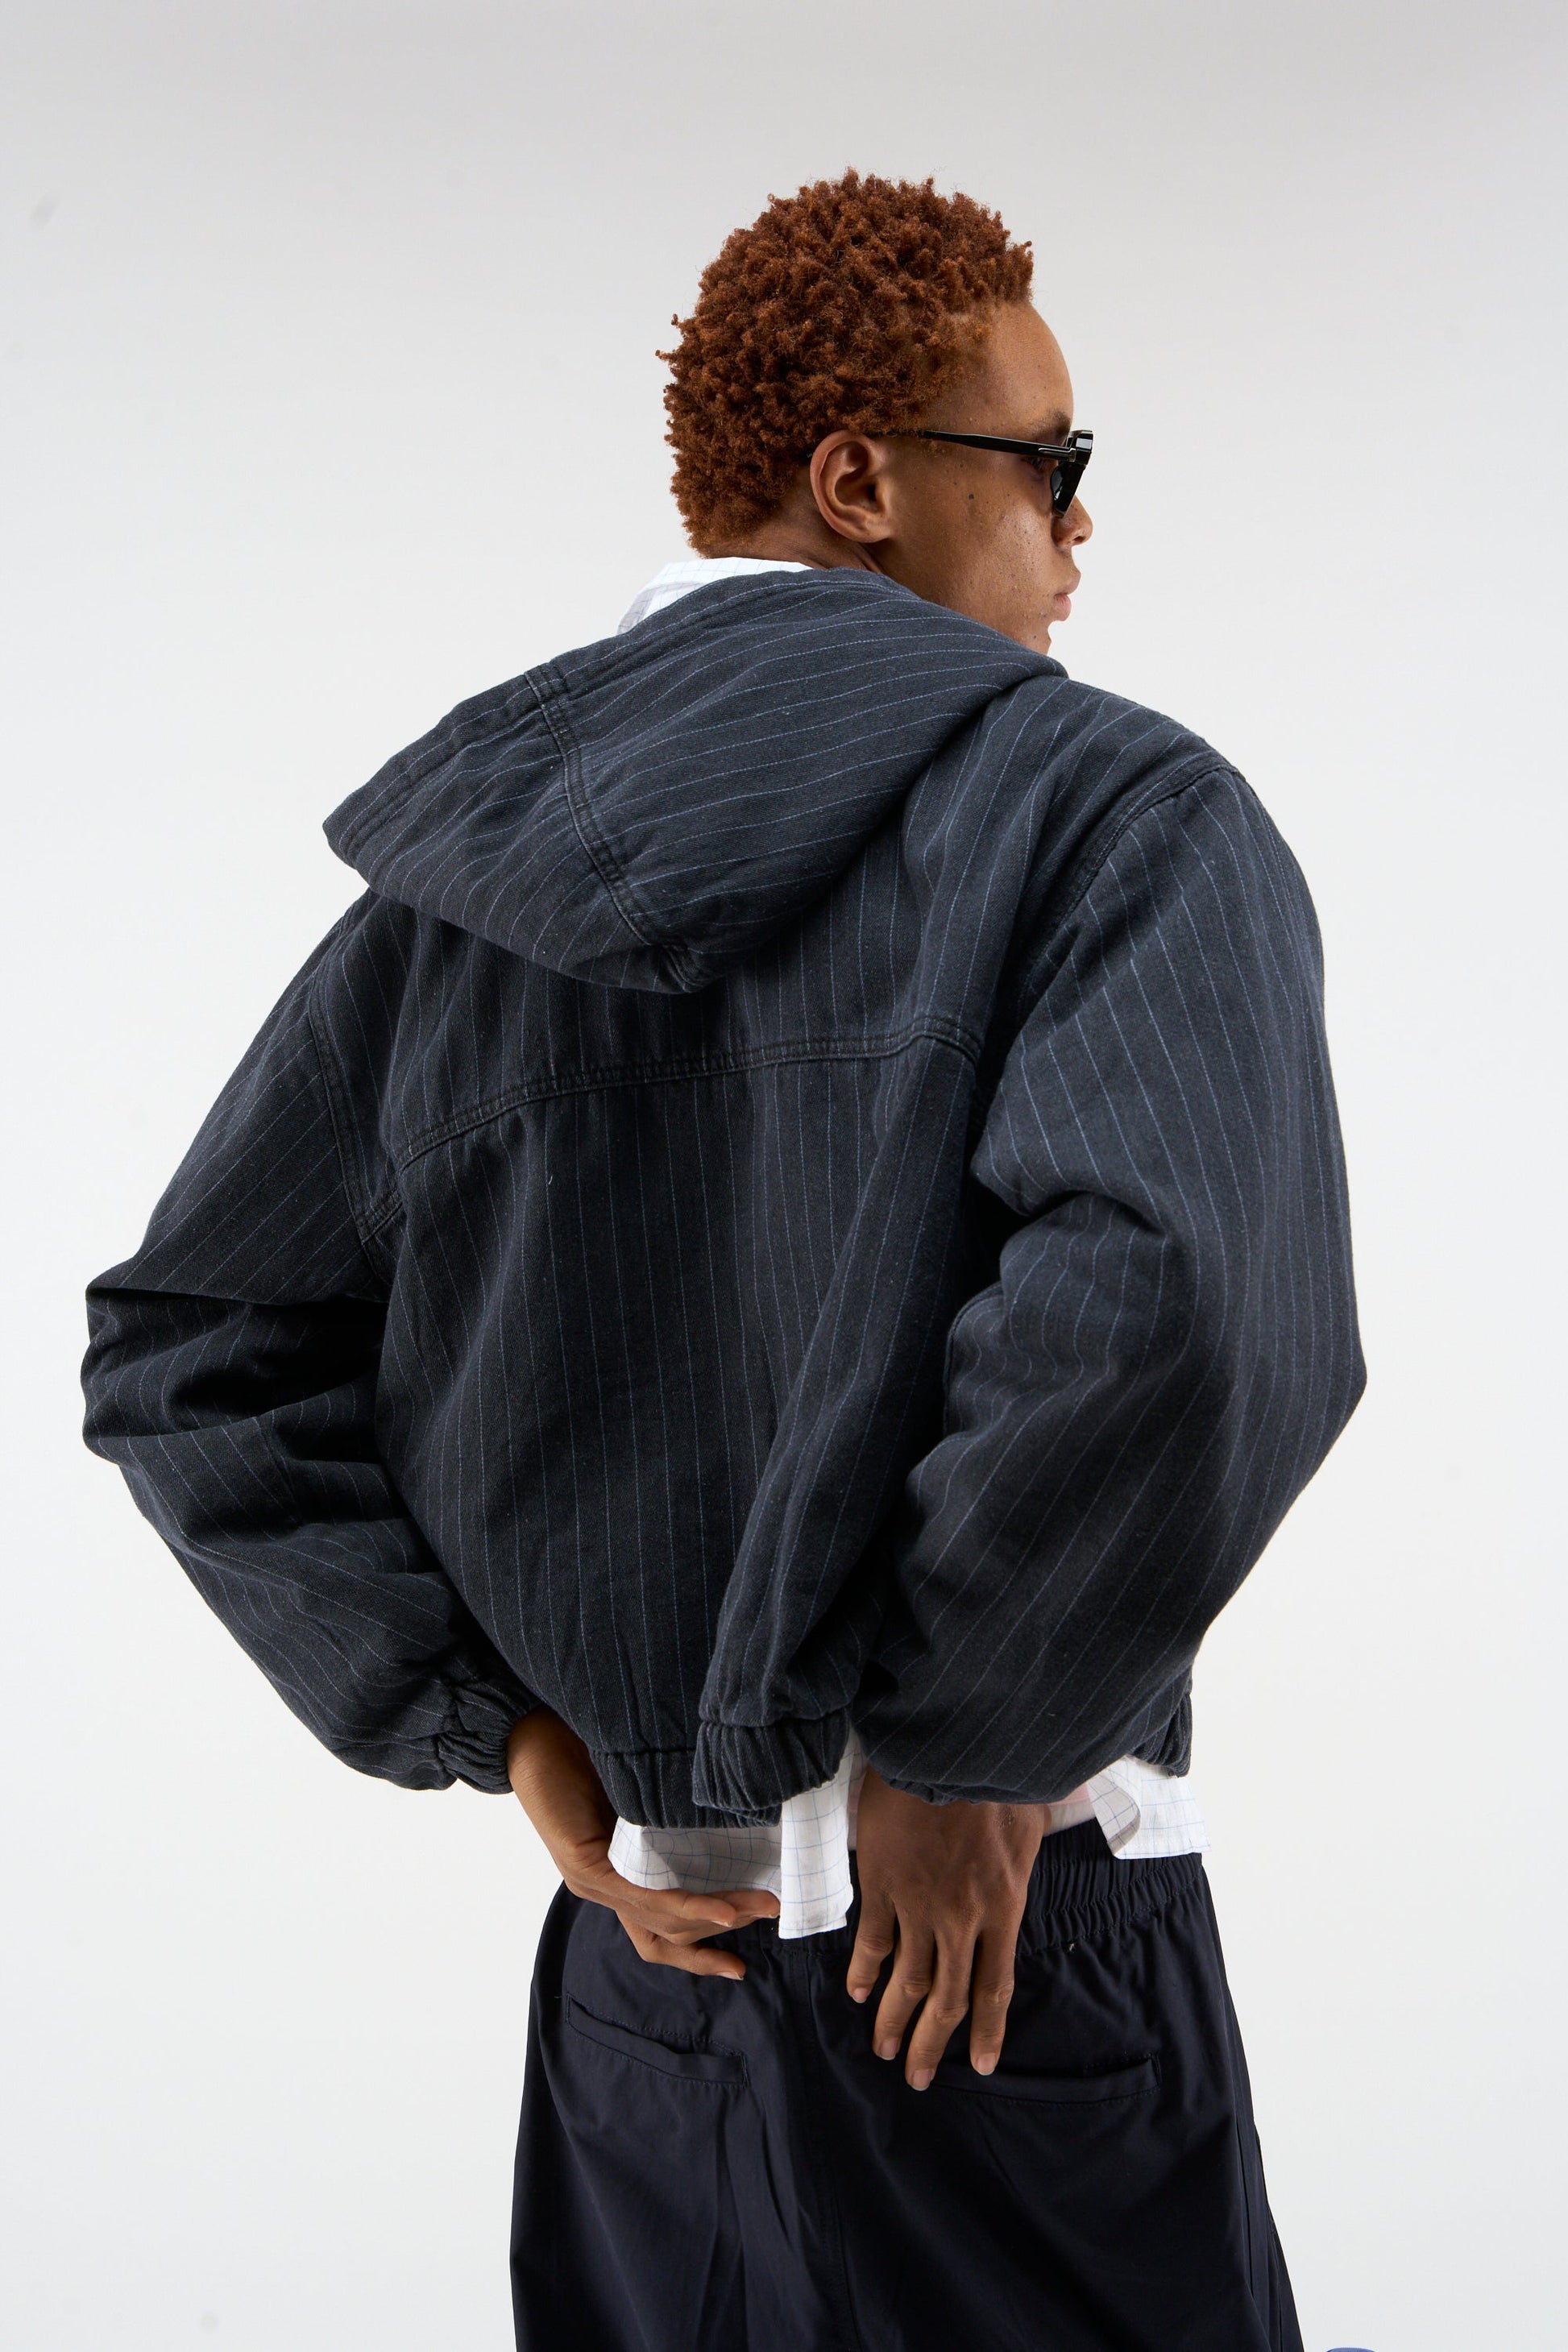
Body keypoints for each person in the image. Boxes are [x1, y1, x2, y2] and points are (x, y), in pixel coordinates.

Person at [81, 171, 1364, 2351]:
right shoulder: (1115, 816)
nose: (1080, 529)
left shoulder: (451, 908)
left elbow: (194, 1348)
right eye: (1050, 463)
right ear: (863, 484)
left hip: (646, 1993)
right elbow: (1176, 1303)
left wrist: (497, 1725)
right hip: (986, 1950)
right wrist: (960, 1747)